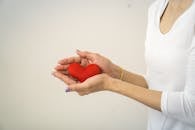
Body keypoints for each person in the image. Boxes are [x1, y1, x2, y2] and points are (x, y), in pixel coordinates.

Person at [52, 0, 195, 129]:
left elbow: (192, 109)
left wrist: (109, 84)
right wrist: (113, 71)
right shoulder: (156, 9)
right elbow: (155, 85)